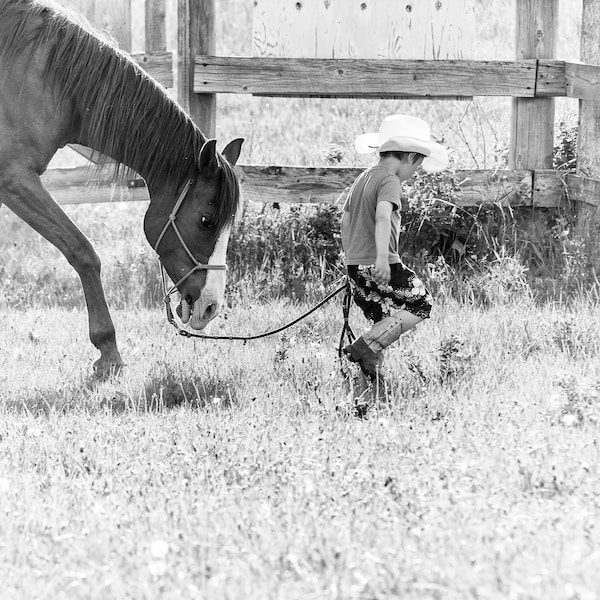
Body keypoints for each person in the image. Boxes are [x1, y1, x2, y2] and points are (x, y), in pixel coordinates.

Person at [341, 114, 449, 383]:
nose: (414, 173)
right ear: (410, 156)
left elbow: (344, 220)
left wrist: (352, 261)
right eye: (417, 166)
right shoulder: (389, 180)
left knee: (383, 316)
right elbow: (382, 216)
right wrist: (380, 258)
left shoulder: (362, 178)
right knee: (421, 303)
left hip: (355, 262)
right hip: (380, 260)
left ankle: (371, 373)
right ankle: (366, 347)